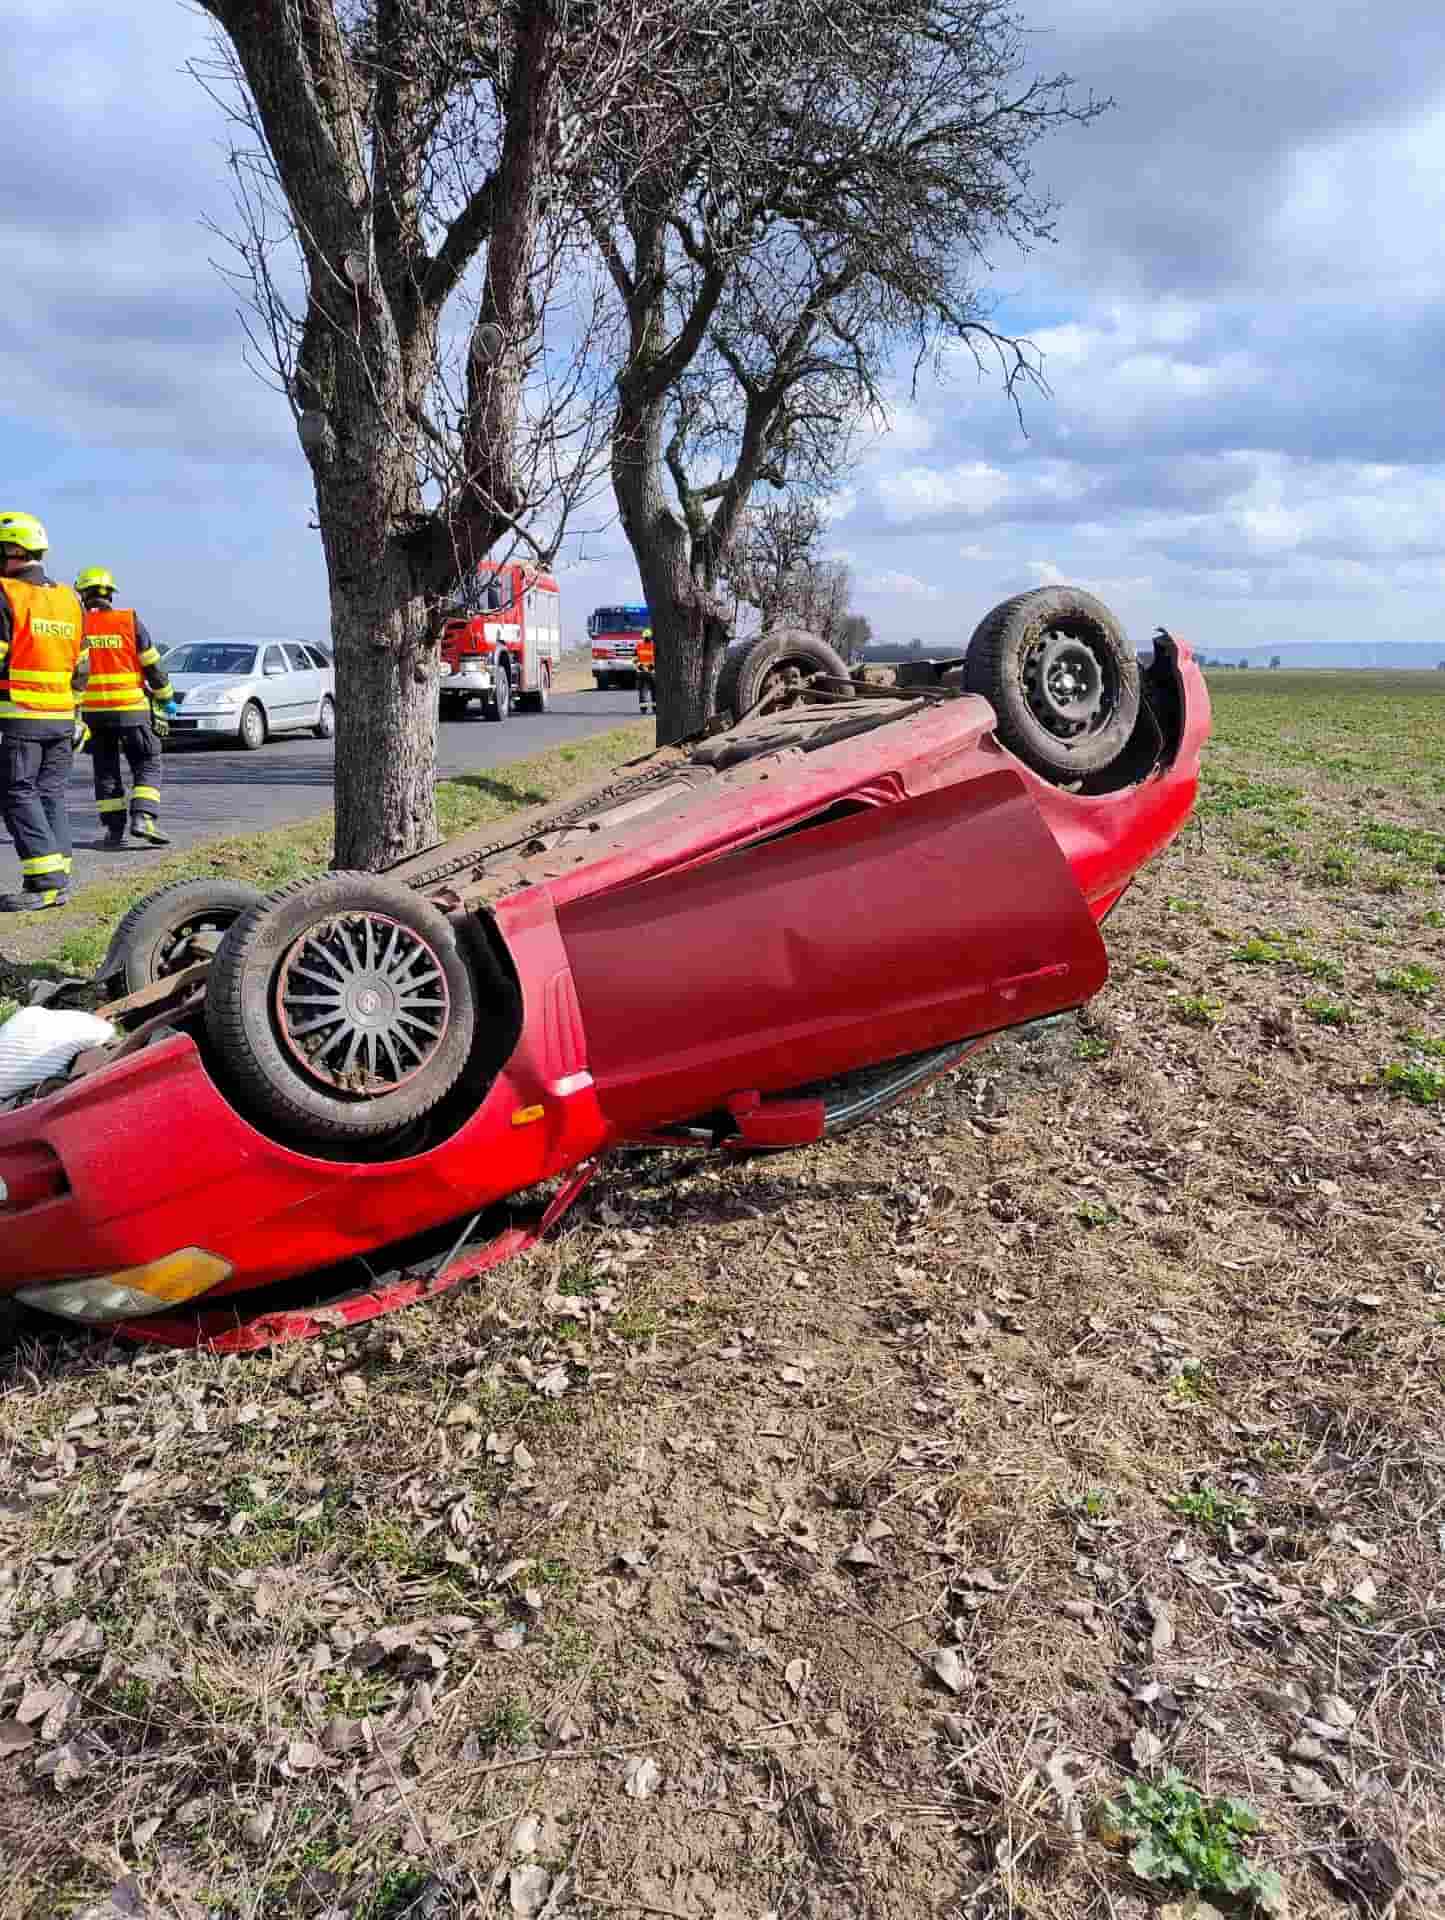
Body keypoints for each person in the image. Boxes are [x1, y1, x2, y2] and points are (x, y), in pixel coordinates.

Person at [0, 512, 88, 912]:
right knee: (49, 793)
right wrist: (77, 714)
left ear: (13, 550)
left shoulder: (6, 593)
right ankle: (59, 876)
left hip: (20, 715)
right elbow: (82, 666)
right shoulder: (70, 598)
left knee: (17, 793)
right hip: (62, 717)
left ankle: (45, 882)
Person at [75, 566, 176, 847]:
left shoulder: (76, 623)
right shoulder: (128, 620)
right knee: (148, 759)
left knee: (105, 770)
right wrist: (165, 698)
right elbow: (152, 664)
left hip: (93, 714)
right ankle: (143, 817)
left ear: (82, 594)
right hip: (131, 709)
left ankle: (114, 831)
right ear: (110, 594)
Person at [635, 624, 656, 716]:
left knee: (642, 691)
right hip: (651, 672)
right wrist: (651, 667)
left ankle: (643, 709)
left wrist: (641, 666)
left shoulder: (639, 646)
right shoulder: (654, 646)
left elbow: (634, 659)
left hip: (641, 672)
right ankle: (655, 709)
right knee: (654, 691)